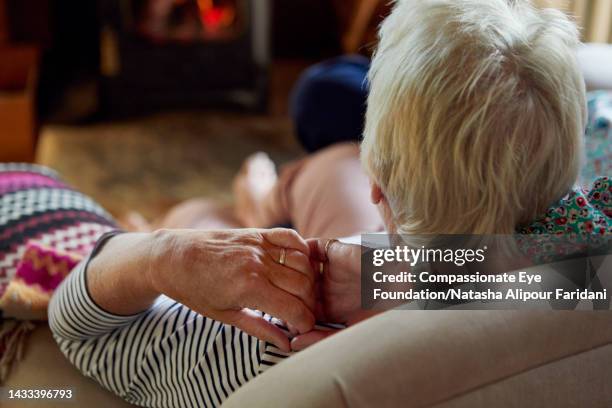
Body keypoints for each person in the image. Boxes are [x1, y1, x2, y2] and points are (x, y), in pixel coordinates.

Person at [48, 1, 610, 407]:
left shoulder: (275, 342)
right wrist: (410, 278)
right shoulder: (590, 268)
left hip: (337, 266)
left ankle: (217, 208)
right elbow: (543, 269)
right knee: (321, 169)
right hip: (398, 257)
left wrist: (163, 255)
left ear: (380, 191)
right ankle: (259, 199)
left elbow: (77, 330)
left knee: (204, 219)